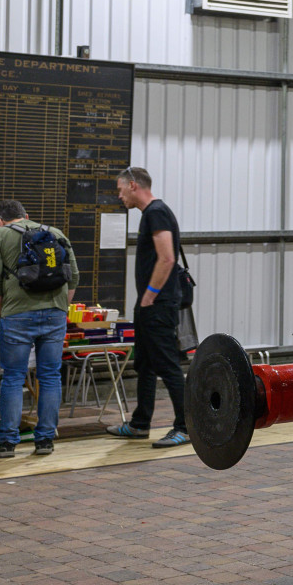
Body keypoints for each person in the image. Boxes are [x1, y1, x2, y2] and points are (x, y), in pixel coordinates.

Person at [108, 167, 189, 448]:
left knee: (167, 366)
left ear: (133, 185)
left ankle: (186, 426)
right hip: (149, 304)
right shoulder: (150, 214)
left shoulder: (156, 212)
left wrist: (150, 295)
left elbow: (167, 258)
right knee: (144, 364)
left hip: (157, 304)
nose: (119, 196)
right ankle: (140, 424)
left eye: (120, 190)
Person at [0, 199, 78, 457]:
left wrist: (0, 310)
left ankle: (7, 443)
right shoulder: (56, 232)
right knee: (50, 376)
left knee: (14, 378)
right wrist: (62, 306)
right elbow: (74, 275)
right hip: (55, 314)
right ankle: (45, 441)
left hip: (17, 315)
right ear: (26, 215)